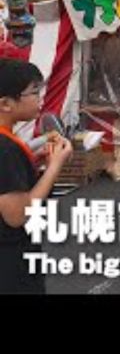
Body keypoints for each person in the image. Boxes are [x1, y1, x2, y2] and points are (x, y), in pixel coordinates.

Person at [0, 59, 74, 294]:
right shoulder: (6, 148)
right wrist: (55, 166)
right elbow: (17, 215)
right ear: (6, 103)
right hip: (11, 262)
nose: (41, 97)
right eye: (34, 92)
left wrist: (34, 160)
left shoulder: (9, 144)